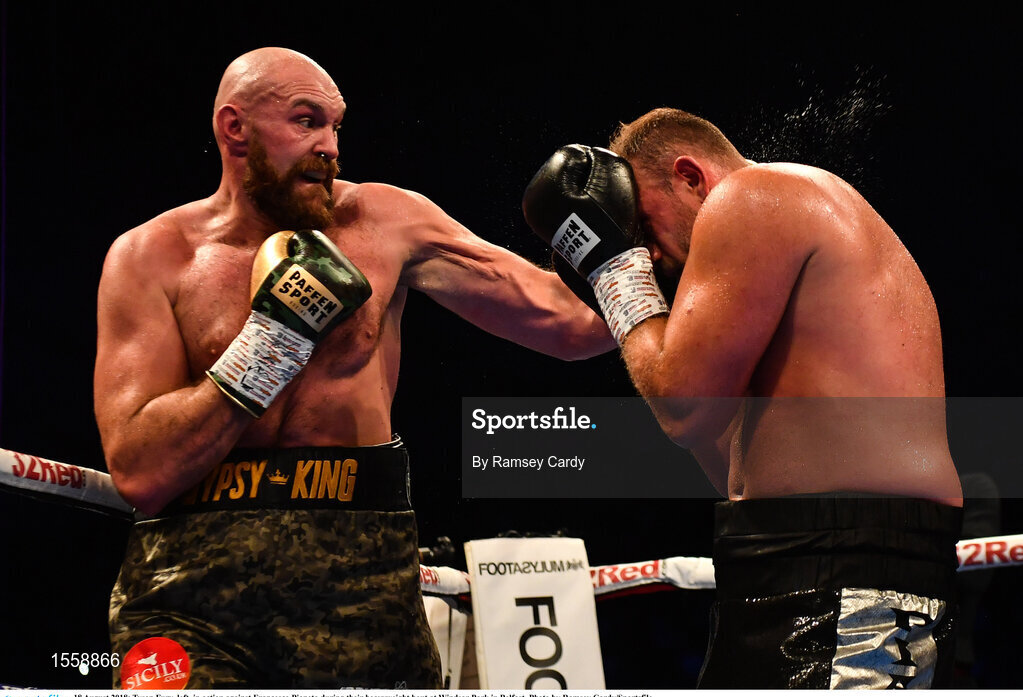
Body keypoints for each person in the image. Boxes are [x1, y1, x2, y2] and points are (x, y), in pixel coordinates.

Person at [94, 47, 614, 689]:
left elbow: (572, 327)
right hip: (187, 598)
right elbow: (139, 470)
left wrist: (632, 256)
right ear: (235, 128)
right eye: (306, 121)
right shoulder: (151, 257)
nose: (331, 146)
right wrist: (270, 345)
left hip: (364, 587)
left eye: (336, 126)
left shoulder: (385, 222)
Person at [523, 108, 963, 689]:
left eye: (644, 228)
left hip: (849, 563)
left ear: (690, 176)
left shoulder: (755, 194)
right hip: (788, 557)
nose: (647, 254)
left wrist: (615, 274)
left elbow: (683, 406)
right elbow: (718, 453)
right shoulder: (788, 244)